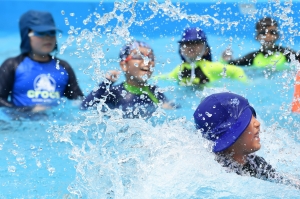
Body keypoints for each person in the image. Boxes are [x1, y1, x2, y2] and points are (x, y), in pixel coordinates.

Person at [193, 92, 300, 189]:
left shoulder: (255, 163)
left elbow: (287, 182)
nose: (257, 123)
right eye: (247, 118)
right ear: (231, 134)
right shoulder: (218, 173)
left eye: (253, 116)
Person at [0, 10, 83, 113]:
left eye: (51, 32)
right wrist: (28, 110)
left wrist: (103, 88)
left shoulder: (63, 67)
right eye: (41, 33)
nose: (48, 38)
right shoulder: (12, 65)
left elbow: (80, 103)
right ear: (26, 35)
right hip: (21, 121)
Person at [81, 40, 176, 118]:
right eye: (139, 56)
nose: (147, 61)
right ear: (124, 65)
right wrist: (105, 83)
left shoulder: (155, 91)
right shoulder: (115, 92)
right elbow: (85, 106)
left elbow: (173, 110)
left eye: (150, 57)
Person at [155, 27, 248, 86]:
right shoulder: (179, 70)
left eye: (196, 43)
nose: (191, 46)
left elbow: (237, 71)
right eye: (187, 44)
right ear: (181, 50)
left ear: (206, 50)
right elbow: (164, 78)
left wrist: (245, 85)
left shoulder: (211, 67)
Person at [222, 17, 300, 70]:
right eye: (263, 33)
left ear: (277, 35)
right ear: (257, 37)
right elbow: (230, 65)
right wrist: (225, 59)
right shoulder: (253, 57)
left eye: (272, 32)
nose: (268, 36)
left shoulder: (286, 53)